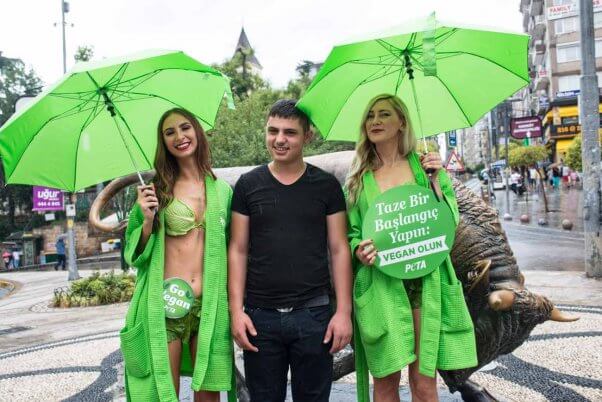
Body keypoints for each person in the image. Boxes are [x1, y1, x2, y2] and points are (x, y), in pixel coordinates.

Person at [346, 94, 477, 402]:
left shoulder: (424, 168)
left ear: (401, 122)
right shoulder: (358, 181)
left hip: (424, 281)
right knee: (386, 381)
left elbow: (450, 219)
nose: (375, 121)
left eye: (384, 114)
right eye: (370, 116)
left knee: (424, 381)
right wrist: (358, 250)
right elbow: (351, 233)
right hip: (382, 283)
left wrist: (435, 181)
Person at [228, 99, 353, 402]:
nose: (279, 139)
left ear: (307, 136)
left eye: (289, 132)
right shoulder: (248, 185)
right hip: (260, 318)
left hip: (313, 315)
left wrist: (343, 313)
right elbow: (238, 249)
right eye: (273, 131)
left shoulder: (325, 186)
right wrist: (236, 312)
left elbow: (338, 249)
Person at [122, 108, 236, 401]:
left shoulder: (222, 190)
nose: (179, 137)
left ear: (197, 131)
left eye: (185, 128)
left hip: (209, 304)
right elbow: (134, 255)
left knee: (209, 391)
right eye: (169, 132)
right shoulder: (156, 191)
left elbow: (235, 248)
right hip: (166, 304)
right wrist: (147, 221)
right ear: (163, 142)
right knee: (163, 392)